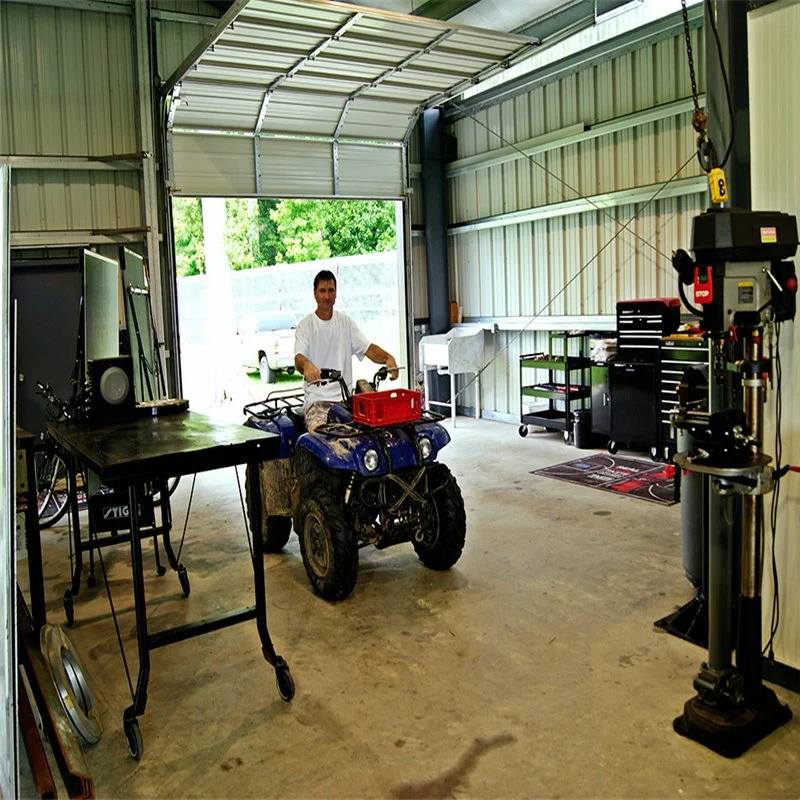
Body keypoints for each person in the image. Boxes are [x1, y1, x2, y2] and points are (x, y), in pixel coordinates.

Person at [294, 269, 398, 431]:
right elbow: (299, 358)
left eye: (331, 290)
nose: (327, 296)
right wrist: (306, 365)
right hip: (318, 401)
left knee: (375, 433)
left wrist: (387, 358)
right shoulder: (306, 326)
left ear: (336, 293)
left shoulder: (346, 323)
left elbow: (368, 348)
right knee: (320, 437)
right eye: (322, 291)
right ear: (314, 293)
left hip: (346, 401)